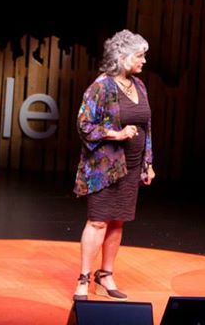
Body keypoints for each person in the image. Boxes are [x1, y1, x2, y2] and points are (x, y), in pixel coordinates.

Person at [72, 29, 156, 301]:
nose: (144, 60)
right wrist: (116, 134)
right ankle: (84, 278)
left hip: (132, 166)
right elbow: (84, 125)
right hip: (105, 168)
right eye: (139, 55)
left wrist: (148, 163)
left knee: (118, 222)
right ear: (122, 57)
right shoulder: (101, 86)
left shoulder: (139, 86)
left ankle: (105, 275)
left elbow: (147, 125)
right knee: (97, 221)